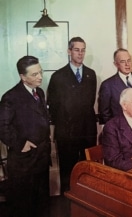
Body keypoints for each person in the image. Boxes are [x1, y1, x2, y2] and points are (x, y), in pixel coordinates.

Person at [0, 56, 51, 217]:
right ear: (23, 77)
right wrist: (22, 144)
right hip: (24, 162)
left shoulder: (40, 92)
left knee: (42, 204)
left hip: (42, 157)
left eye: (40, 72)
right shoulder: (10, 97)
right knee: (24, 206)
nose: (40, 77)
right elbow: (2, 127)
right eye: (34, 74)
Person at [47, 37, 97, 193]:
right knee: (68, 171)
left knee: (87, 170)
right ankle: (67, 205)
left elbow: (90, 102)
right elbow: (53, 106)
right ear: (69, 51)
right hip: (67, 133)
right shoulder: (58, 77)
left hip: (87, 132)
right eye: (76, 50)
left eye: (83, 50)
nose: (80, 53)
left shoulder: (90, 74)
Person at [98, 48, 132, 127]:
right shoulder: (108, 85)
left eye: (129, 60)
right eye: (123, 61)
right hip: (120, 132)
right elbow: (105, 113)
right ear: (116, 64)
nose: (127, 64)